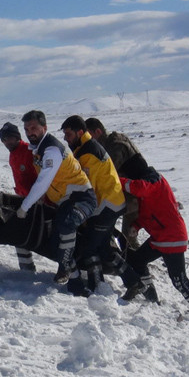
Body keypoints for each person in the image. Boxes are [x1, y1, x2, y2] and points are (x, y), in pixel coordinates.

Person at [119, 158, 189, 332]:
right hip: (161, 237)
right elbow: (148, 214)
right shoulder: (149, 185)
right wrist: (136, 226)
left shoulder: (153, 180)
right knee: (137, 260)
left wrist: (115, 179)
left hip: (172, 237)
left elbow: (139, 188)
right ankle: (151, 298)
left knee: (179, 280)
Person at [60, 115, 139, 296]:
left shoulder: (88, 153)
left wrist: (84, 214)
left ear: (80, 132)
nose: (66, 138)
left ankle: (98, 286)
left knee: (89, 247)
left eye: (69, 134)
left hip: (105, 206)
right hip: (111, 203)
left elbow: (90, 187)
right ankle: (133, 281)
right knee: (103, 248)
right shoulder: (84, 148)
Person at [17, 110, 96, 284]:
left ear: (44, 127)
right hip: (66, 201)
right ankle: (74, 276)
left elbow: (43, 181)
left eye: (34, 128)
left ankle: (65, 267)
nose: (30, 132)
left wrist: (25, 207)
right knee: (54, 236)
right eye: (27, 129)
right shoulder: (38, 150)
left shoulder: (51, 149)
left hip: (82, 198)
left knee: (66, 224)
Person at [85, 117, 143, 251]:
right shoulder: (111, 143)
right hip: (131, 193)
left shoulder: (115, 145)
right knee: (128, 239)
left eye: (89, 135)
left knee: (102, 219)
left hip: (134, 196)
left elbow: (108, 172)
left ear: (98, 131)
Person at [0, 122, 38, 272]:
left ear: (17, 137)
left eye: (10, 138)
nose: (7, 142)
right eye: (4, 140)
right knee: (17, 230)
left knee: (19, 230)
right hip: (23, 199)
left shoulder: (29, 151)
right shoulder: (13, 155)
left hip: (36, 200)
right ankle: (26, 266)